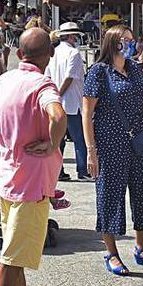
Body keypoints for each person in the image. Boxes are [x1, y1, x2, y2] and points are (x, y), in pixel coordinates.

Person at [0, 28, 66, 286]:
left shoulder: (5, 80)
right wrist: (52, 144)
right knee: (10, 263)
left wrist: (1, 126)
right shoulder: (43, 84)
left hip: (9, 181)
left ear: (19, 54)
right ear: (48, 55)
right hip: (32, 186)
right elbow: (58, 115)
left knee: (15, 262)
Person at [81, 25, 143, 276]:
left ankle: (141, 248)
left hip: (137, 142)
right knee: (110, 196)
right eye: (125, 40)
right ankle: (112, 253)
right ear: (113, 43)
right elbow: (87, 113)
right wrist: (91, 151)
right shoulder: (98, 73)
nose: (131, 43)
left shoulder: (135, 69)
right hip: (108, 143)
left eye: (132, 39)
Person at [46, 22, 92, 182]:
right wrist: (59, 94)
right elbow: (70, 77)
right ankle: (82, 170)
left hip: (57, 103)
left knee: (58, 140)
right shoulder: (74, 53)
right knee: (79, 139)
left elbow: (49, 76)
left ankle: (58, 171)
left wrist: (54, 96)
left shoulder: (54, 53)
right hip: (72, 102)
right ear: (72, 36)